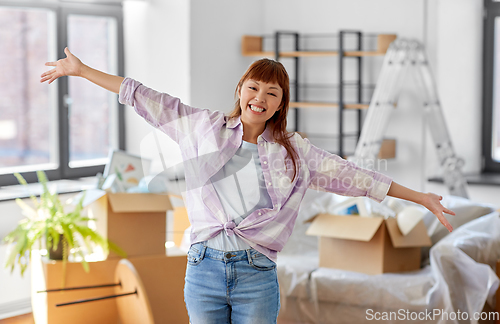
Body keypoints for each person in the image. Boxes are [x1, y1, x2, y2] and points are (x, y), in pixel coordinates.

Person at [41, 47, 455, 324]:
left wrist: (420, 197)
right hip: (202, 269)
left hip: (257, 273)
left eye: (271, 92)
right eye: (253, 87)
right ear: (240, 90)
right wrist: (80, 71)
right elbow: (145, 97)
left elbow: (358, 178)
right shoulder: (203, 127)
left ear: (280, 103)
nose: (260, 96)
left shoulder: (296, 151)